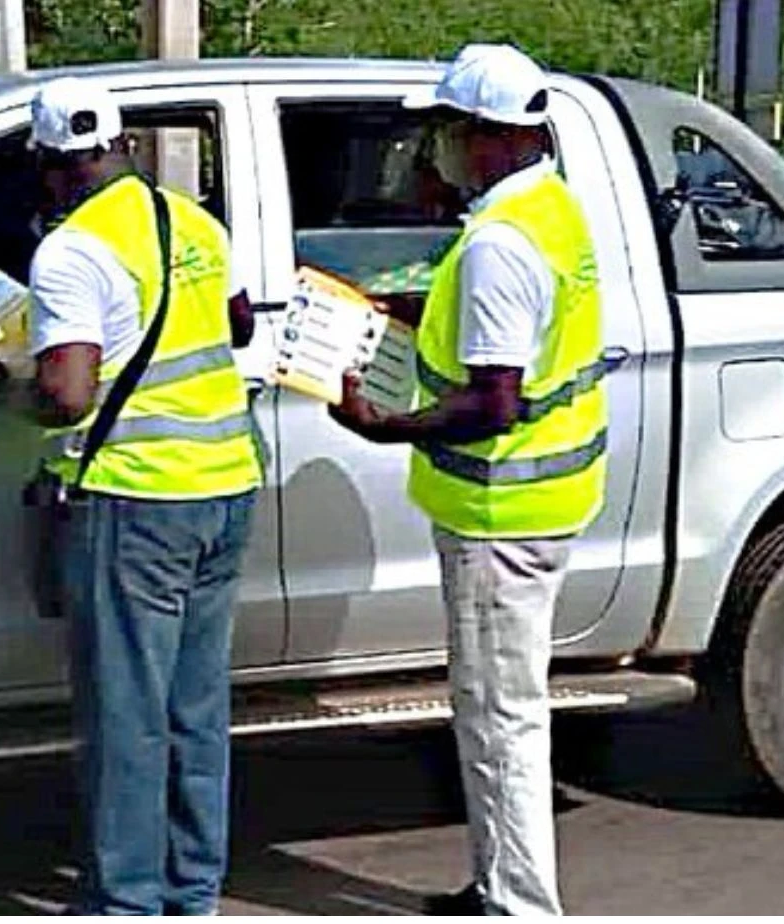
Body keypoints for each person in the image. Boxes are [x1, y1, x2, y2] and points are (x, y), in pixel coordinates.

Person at [0, 76, 263, 915]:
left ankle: (124, 903)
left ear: (50, 166)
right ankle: (192, 891)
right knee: (194, 711)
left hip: (137, 500)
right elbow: (235, 324)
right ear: (120, 148)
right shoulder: (193, 220)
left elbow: (67, 394)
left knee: (127, 716)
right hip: (225, 486)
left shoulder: (70, 252)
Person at [327, 44, 609, 916]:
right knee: (502, 712)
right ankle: (499, 886)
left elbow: (493, 401)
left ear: (489, 137)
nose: (437, 148)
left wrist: (386, 426)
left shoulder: (500, 242)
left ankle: (518, 905)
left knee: (500, 720)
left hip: (501, 512)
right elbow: (506, 339)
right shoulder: (547, 210)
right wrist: (407, 311)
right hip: (544, 499)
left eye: (448, 129)